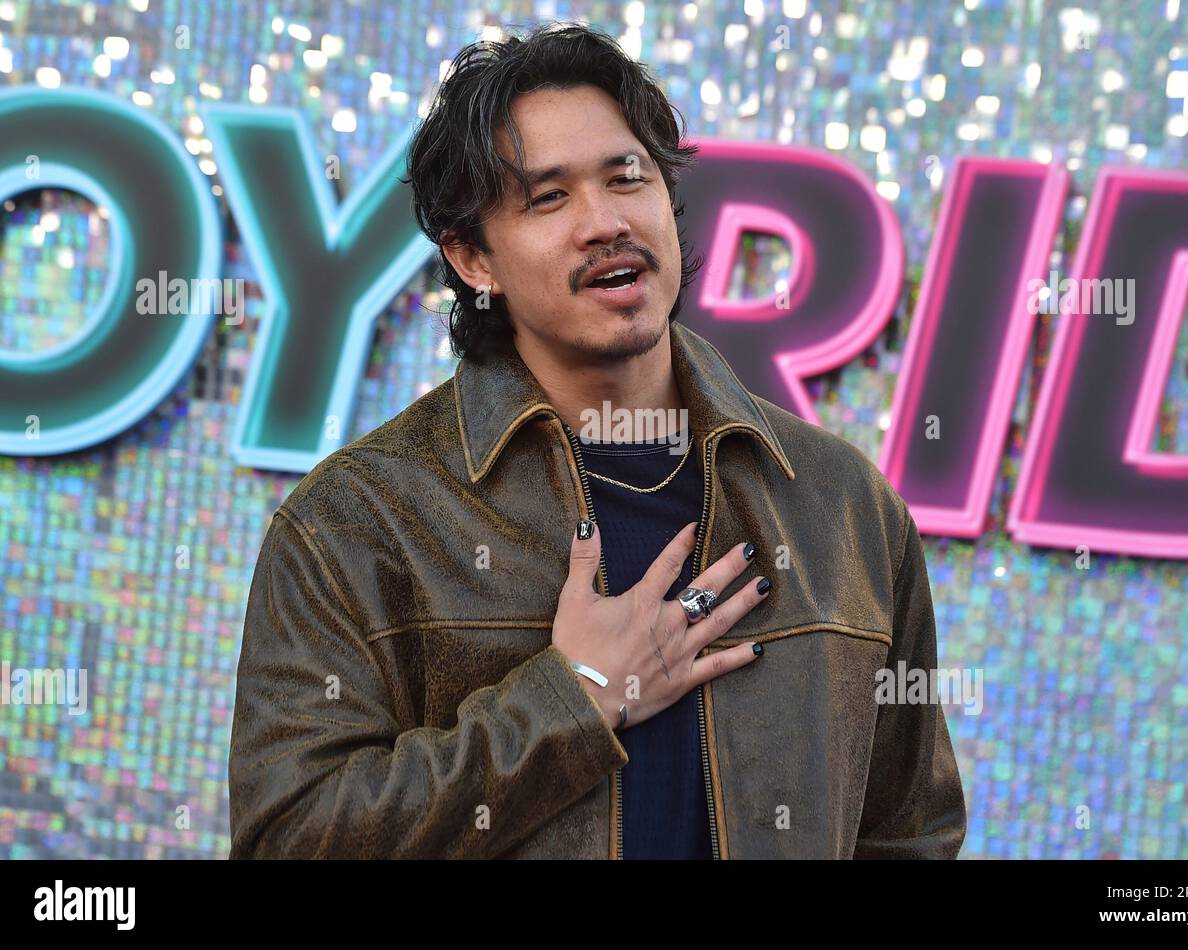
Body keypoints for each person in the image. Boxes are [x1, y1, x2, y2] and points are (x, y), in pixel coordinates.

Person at [227, 22, 966, 859]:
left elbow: (911, 834)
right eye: (550, 198)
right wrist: (571, 700)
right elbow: (287, 839)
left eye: (628, 178)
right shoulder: (357, 523)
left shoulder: (841, 506)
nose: (606, 222)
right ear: (474, 259)